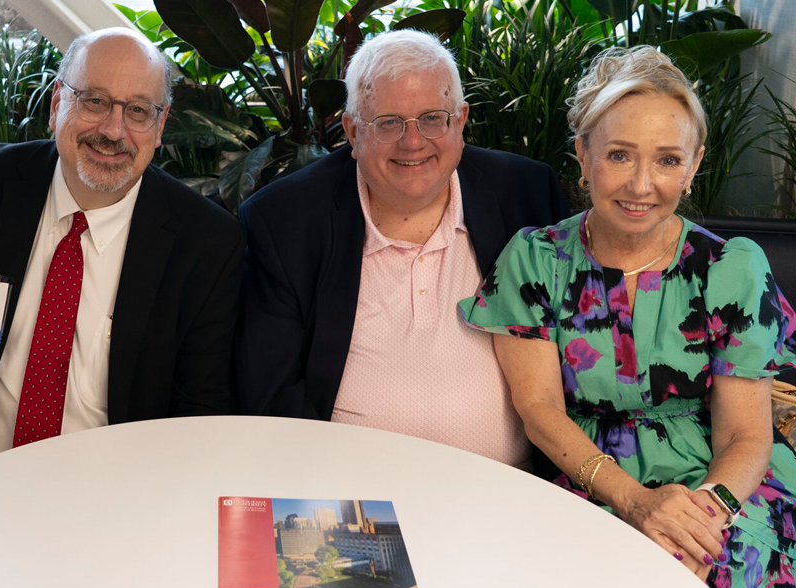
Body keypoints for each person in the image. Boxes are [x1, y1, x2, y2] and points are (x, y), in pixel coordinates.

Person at [459, 46, 796, 588]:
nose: (641, 186)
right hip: (590, 479)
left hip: (726, 487)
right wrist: (637, 502)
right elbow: (540, 410)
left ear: (693, 166)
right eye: (619, 155)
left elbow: (745, 434)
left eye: (667, 160)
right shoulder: (536, 259)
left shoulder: (732, 268)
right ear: (583, 153)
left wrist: (698, 529)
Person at [0, 28, 244, 492]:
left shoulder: (206, 242)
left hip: (113, 486)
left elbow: (200, 412)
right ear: (55, 105)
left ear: (160, 124)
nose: (113, 131)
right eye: (94, 101)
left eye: (138, 111)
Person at [235, 29, 569, 467]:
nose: (413, 142)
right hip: (349, 489)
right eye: (389, 123)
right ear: (352, 131)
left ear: (460, 121)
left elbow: (580, 353)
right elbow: (271, 392)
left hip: (517, 487)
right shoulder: (285, 220)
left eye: (432, 118)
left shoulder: (526, 193)